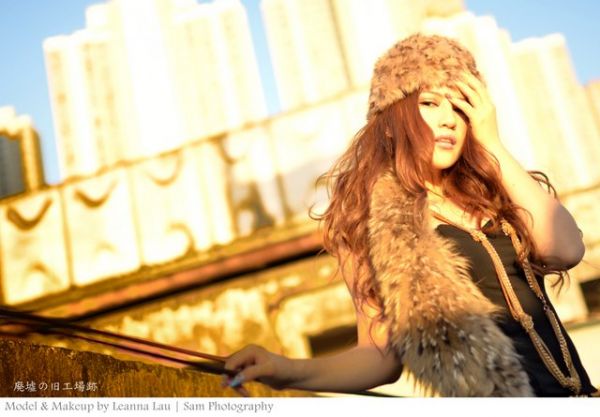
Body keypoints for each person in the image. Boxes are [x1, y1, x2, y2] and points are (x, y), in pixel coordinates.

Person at [221, 34, 598, 397]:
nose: (449, 119)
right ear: (392, 118)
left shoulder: (496, 190)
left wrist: (492, 143)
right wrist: (286, 370)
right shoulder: (366, 226)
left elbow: (565, 250)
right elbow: (378, 357)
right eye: (431, 103)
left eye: (461, 106)